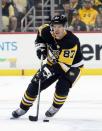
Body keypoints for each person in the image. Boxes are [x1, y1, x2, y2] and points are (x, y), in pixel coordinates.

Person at [12, 14, 84, 119]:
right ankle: (23, 108)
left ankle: (55, 107)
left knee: (62, 87)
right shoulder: (46, 30)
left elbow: (63, 65)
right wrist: (40, 47)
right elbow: (40, 34)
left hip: (72, 67)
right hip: (52, 63)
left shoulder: (71, 41)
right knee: (35, 84)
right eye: (54, 26)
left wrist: (46, 72)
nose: (56, 29)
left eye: (59, 26)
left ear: (65, 27)